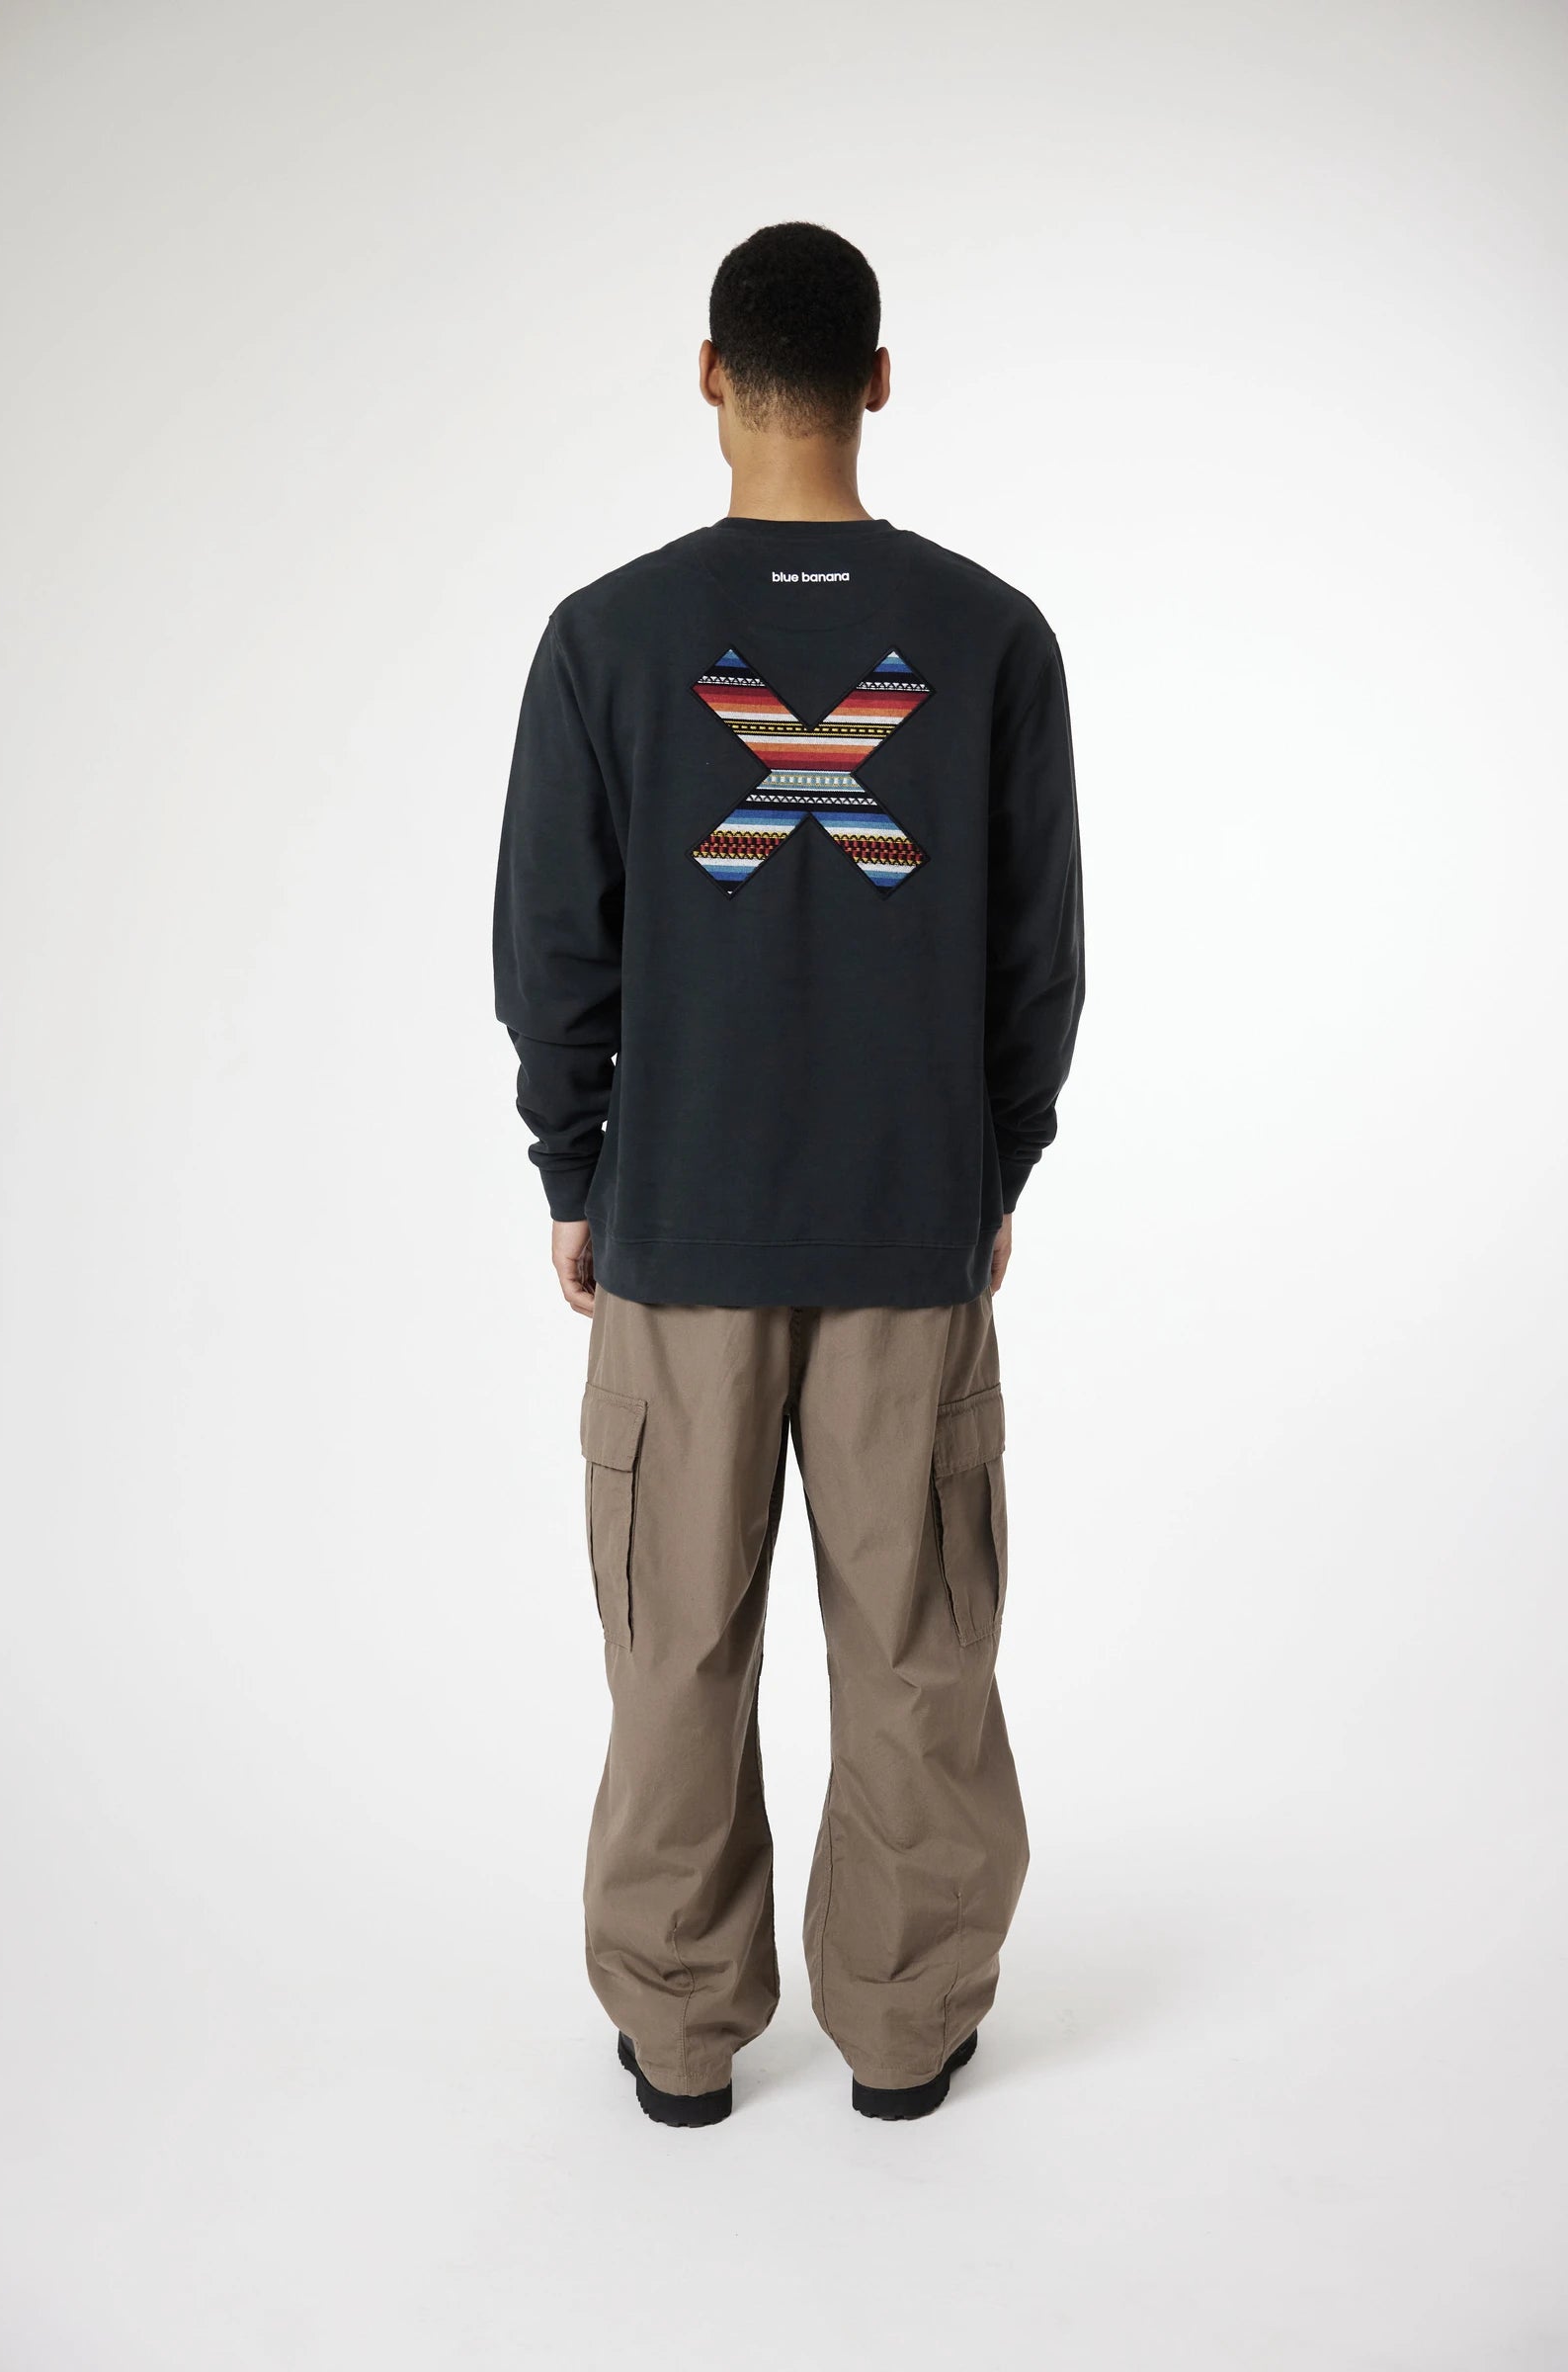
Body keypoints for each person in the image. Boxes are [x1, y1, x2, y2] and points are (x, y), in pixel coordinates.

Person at [491, 221, 1084, 2127]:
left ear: (708, 375)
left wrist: (574, 1166)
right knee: (918, 1648)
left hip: (678, 1229)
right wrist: (994, 1169)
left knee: (675, 1643)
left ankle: (680, 2039)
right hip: (913, 1230)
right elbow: (1038, 965)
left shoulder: (607, 637)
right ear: (879, 383)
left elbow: (552, 946)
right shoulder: (990, 637)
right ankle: (906, 2037)